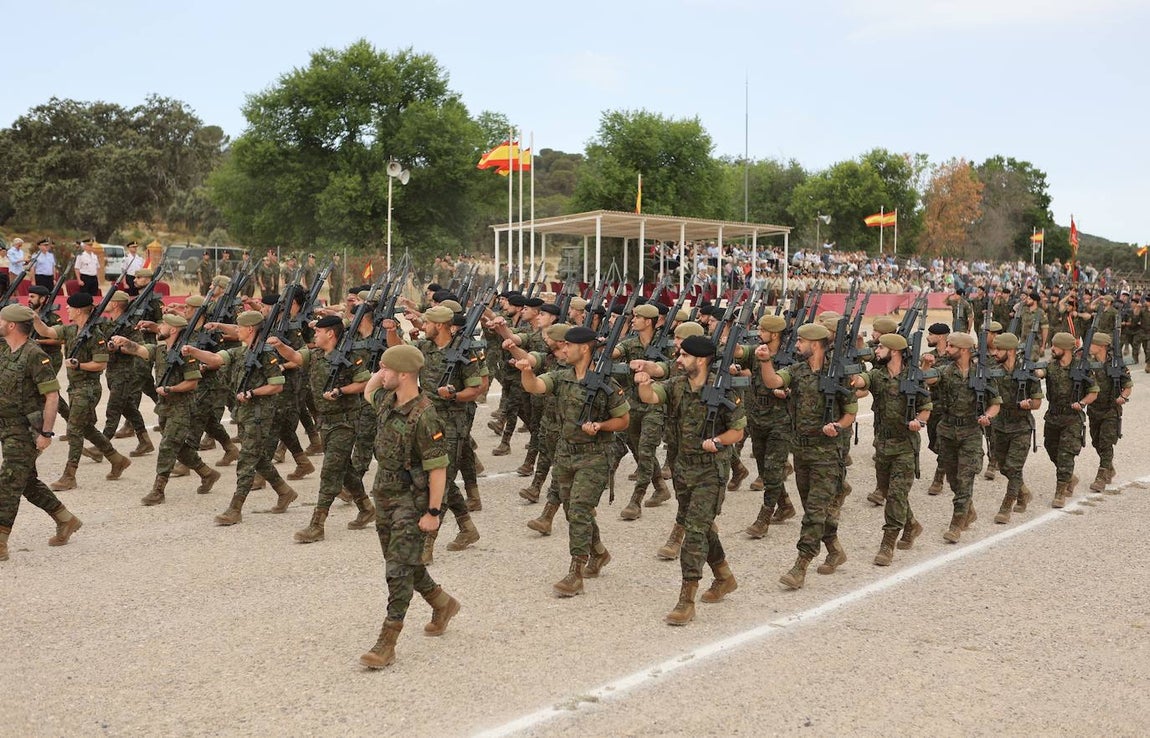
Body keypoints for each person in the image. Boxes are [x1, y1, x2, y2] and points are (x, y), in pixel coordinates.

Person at [358, 344, 461, 670]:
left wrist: (432, 513)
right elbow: (368, 390)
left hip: (411, 500)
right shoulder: (388, 401)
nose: (381, 373)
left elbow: (438, 468)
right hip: (384, 494)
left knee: (397, 570)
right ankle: (443, 603)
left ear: (404, 374)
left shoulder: (426, 415)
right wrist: (385, 369)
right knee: (403, 559)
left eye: (387, 368)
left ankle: (386, 642)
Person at [635, 335, 745, 625]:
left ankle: (686, 600)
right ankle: (724, 577)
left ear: (701, 359)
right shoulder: (678, 385)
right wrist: (644, 384)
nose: (679, 359)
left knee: (694, 532)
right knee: (704, 526)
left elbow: (738, 431)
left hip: (711, 471)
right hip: (683, 470)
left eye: (684, 355)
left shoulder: (724, 391)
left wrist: (719, 441)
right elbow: (652, 396)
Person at [515, 326, 630, 597]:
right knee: (571, 510)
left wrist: (601, 425)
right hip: (565, 453)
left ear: (584, 348)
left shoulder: (606, 384)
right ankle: (599, 552)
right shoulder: (562, 377)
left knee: (579, 509)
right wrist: (526, 371)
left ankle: (575, 572)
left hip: (595, 456)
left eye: (568, 346)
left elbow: (623, 420)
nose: (563, 350)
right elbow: (536, 386)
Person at [756, 322, 857, 589]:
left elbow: (850, 412)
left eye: (801, 341)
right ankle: (834, 549)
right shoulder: (797, 370)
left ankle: (801, 564)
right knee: (813, 508)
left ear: (814, 344)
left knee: (814, 512)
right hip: (801, 450)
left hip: (827, 453)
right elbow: (773, 381)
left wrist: (839, 426)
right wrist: (765, 361)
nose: (796, 345)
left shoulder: (838, 375)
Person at [384, 304, 484, 562]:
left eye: (427, 323)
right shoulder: (425, 348)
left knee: (441, 480)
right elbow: (398, 355)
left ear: (438, 325)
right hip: (427, 420)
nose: (422, 326)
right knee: (440, 479)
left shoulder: (465, 352)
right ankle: (467, 528)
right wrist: (392, 331)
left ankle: (427, 544)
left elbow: (475, 389)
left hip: (452, 423)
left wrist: (454, 395)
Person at [181, 310, 297, 525]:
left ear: (250, 329)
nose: (236, 330)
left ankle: (235, 508)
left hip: (261, 414)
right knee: (258, 456)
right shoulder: (240, 353)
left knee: (246, 460)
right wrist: (194, 351)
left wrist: (254, 393)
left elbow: (277, 385)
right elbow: (216, 358)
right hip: (245, 413)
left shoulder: (267, 354)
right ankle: (284, 491)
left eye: (239, 327)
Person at [268, 315, 376, 542]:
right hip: (325, 422)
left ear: (330, 333)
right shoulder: (315, 355)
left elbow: (365, 382)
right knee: (343, 468)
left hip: (345, 421)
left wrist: (341, 391)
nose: (315, 334)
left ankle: (317, 524)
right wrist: (280, 346)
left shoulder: (350, 355)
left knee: (329, 471)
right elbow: (295, 357)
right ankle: (366, 507)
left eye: (319, 331)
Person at [0, 303, 83, 562]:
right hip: (7, 426)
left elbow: (51, 396)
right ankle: (65, 519)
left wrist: (46, 433)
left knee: (8, 482)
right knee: (26, 482)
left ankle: (0, 542)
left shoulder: (35, 355)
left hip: (26, 430)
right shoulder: (5, 350)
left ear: (11, 325)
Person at [109, 314, 220, 504]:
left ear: (173, 330)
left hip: (182, 408)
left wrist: (172, 389)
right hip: (164, 407)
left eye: (164, 325)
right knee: (179, 448)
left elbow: (192, 383)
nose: (159, 328)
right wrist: (126, 342)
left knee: (168, 446)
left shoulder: (187, 355)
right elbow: (140, 350)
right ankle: (207, 473)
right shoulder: (161, 350)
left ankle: (158, 490)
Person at [31, 292, 133, 491]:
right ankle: (116, 459)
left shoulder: (95, 335)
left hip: (88, 389)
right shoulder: (71, 330)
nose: (66, 309)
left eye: (69, 307)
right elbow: (48, 332)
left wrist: (79, 365)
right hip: (75, 388)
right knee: (86, 427)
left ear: (78, 310)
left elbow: (101, 364)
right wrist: (35, 318)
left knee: (74, 429)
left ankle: (69, 475)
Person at [851, 333, 930, 564]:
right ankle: (912, 525)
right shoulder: (878, 375)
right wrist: (854, 376)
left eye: (881, 348)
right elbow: (862, 381)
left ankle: (887, 544)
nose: (876, 351)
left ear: (894, 351)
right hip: (883, 445)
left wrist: (920, 421)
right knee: (889, 491)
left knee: (896, 496)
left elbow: (926, 407)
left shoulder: (915, 377)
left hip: (905, 445)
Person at [930, 332, 1001, 541]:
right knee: (953, 479)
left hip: (970, 432)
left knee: (965, 479)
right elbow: (931, 379)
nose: (947, 349)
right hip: (947, 430)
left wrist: (987, 416)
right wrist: (925, 367)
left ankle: (956, 524)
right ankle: (968, 511)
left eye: (951, 347)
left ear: (963, 350)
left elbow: (995, 403)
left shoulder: (982, 375)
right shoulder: (945, 370)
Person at [987, 332, 1042, 523]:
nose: (994, 353)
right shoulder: (993, 370)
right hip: (1000, 425)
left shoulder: (1027, 371)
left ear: (1010, 351)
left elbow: (1037, 402)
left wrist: (1029, 403)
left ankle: (1006, 506)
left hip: (1021, 426)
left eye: (999, 349)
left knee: (1014, 467)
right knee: (1003, 466)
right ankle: (1023, 492)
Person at [1043, 331, 1096, 508]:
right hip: (1053, 416)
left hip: (1072, 418)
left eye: (1055, 346)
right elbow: (1041, 372)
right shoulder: (1051, 365)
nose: (1052, 348)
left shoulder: (1081, 368)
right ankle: (1069, 477)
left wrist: (1082, 403)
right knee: (1051, 448)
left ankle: (1060, 491)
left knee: (1065, 455)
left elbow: (1093, 391)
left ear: (1065, 349)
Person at [1087, 332, 1131, 491]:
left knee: (1106, 442)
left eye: (1092, 344)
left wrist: (1123, 397)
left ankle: (1101, 476)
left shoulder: (1116, 364)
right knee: (1096, 441)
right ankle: (1109, 467)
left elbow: (1128, 385)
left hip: (1111, 409)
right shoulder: (1088, 363)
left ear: (1101, 346)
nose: (1089, 346)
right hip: (1094, 409)